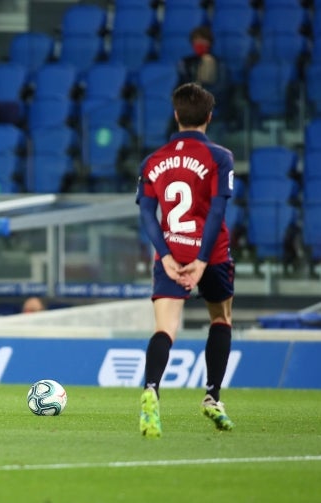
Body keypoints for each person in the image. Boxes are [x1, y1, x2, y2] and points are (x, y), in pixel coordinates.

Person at [135, 82, 235, 439]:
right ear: (209, 117)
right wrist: (204, 261)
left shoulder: (153, 160)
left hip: (171, 254)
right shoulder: (220, 157)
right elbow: (218, 210)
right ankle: (212, 397)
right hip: (214, 254)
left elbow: (148, 214)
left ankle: (150, 389)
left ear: (176, 115)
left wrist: (165, 256)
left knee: (165, 328)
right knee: (220, 318)